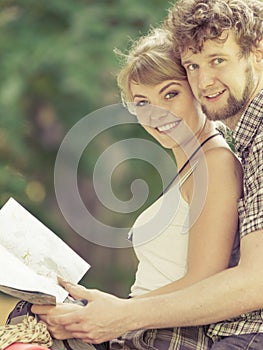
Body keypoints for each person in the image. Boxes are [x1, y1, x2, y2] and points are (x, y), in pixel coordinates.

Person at [29, 0, 263, 348]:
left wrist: (119, 315)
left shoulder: (219, 161)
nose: (157, 113)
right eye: (141, 103)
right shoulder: (223, 153)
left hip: (182, 335)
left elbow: (229, 279)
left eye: (170, 93)